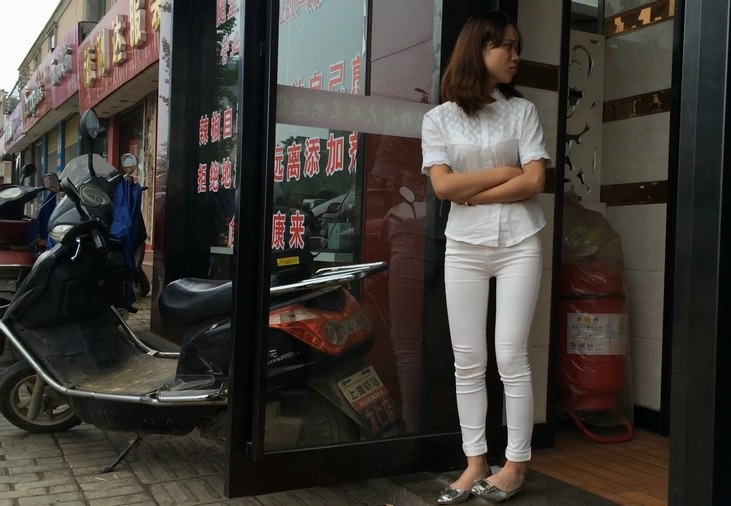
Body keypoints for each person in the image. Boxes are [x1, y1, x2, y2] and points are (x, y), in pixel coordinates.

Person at [420, 11, 549, 504]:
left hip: (519, 242)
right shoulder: (438, 118)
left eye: (517, 46)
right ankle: (475, 462)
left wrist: (471, 191)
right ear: (478, 49)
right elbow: (442, 187)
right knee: (468, 360)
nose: (515, 56)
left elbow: (535, 181)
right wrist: (503, 172)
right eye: (506, 46)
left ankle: (514, 465)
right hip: (465, 247)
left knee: (511, 356)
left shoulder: (523, 111)